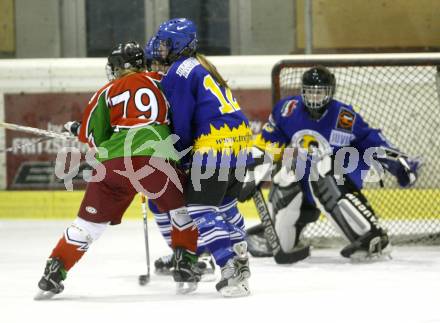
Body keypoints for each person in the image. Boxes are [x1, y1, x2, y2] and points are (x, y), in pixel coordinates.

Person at [35, 41, 200, 300]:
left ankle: (54, 270)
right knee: (182, 209)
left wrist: (77, 129)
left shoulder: (106, 90)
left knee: (87, 225)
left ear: (118, 68)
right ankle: (185, 265)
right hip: (157, 157)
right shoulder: (163, 82)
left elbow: (94, 136)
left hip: (114, 163)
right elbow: (182, 114)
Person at [239, 65, 420, 261]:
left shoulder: (343, 116)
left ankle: (373, 237)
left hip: (340, 177)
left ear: (330, 92)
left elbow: (370, 139)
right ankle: (286, 233)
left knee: (323, 169)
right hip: (305, 177)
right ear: (302, 91)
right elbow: (269, 143)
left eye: (320, 93)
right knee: (285, 176)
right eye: (310, 92)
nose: (314, 98)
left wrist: (397, 162)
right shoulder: (287, 110)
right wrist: (253, 171)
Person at [149, 18, 253, 297]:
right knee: (226, 204)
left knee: (200, 208)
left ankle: (229, 267)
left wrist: (178, 155)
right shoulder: (202, 66)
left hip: (214, 144)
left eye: (165, 43)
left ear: (179, 45)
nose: (161, 49)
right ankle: (240, 253)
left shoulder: (179, 72)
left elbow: (181, 122)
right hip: (240, 141)